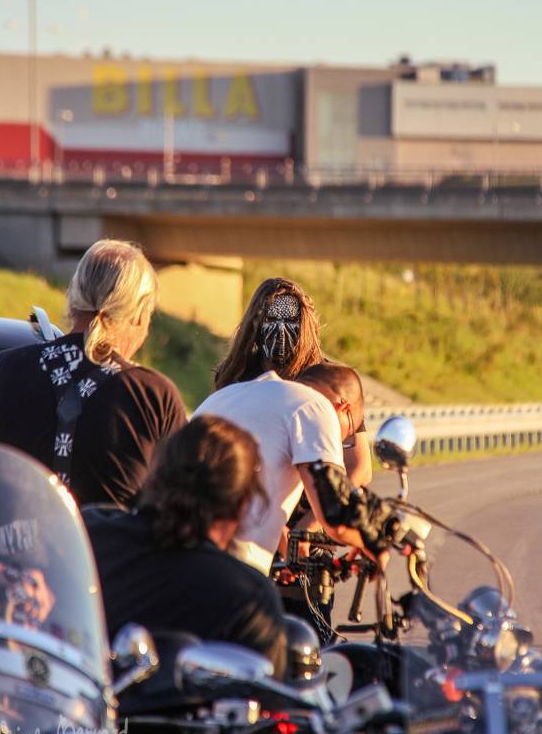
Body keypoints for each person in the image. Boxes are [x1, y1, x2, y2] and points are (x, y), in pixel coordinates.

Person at [84, 415, 287, 679]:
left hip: (74, 713)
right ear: (243, 501)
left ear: (156, 475)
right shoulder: (249, 594)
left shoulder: (91, 531)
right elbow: (269, 710)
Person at [0, 239, 186, 507]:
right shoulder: (153, 396)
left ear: (72, 299)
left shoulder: (3, 369)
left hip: (11, 548)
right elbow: (180, 510)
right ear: (140, 315)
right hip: (113, 550)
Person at [192, 361, 370, 579]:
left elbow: (237, 494)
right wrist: (373, 543)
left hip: (161, 558)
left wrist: (288, 546)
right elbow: (335, 515)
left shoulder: (228, 397)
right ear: (343, 408)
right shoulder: (315, 407)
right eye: (348, 432)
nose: (341, 440)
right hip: (227, 571)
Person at [214, 277, 371, 487]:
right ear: (256, 323)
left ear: (304, 324)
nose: (281, 330)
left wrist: (319, 515)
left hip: (318, 497)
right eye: (272, 320)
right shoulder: (238, 376)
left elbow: (359, 467)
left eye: (289, 321)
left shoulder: (329, 381)